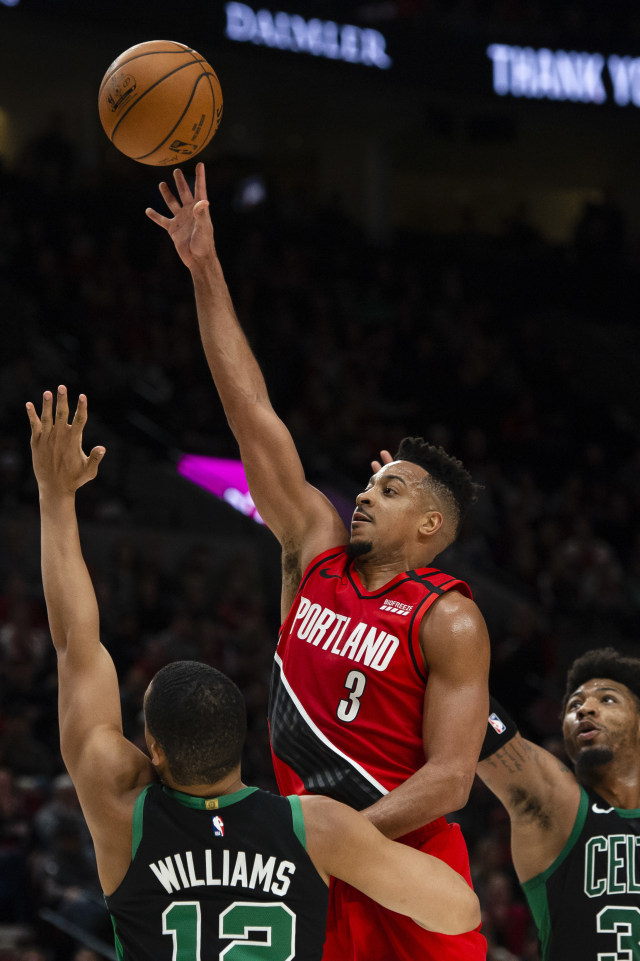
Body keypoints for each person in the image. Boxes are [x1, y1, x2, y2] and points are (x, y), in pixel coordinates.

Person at [146, 163, 490, 960]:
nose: (367, 494)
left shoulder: (448, 614)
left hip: (404, 869)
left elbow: (450, 780)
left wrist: (341, 844)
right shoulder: (315, 552)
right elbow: (251, 412)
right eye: (370, 481)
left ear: (432, 521)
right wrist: (205, 268)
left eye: (392, 488)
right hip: (314, 871)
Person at [25, 386, 481, 961]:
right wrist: (344, 847)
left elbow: (74, 644)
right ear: (245, 741)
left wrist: (54, 497)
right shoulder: (312, 830)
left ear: (153, 750)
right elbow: (460, 907)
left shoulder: (120, 807)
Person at [477, 647, 640, 961]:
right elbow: (476, 716)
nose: (584, 710)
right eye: (575, 704)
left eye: (606, 699)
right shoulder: (561, 807)